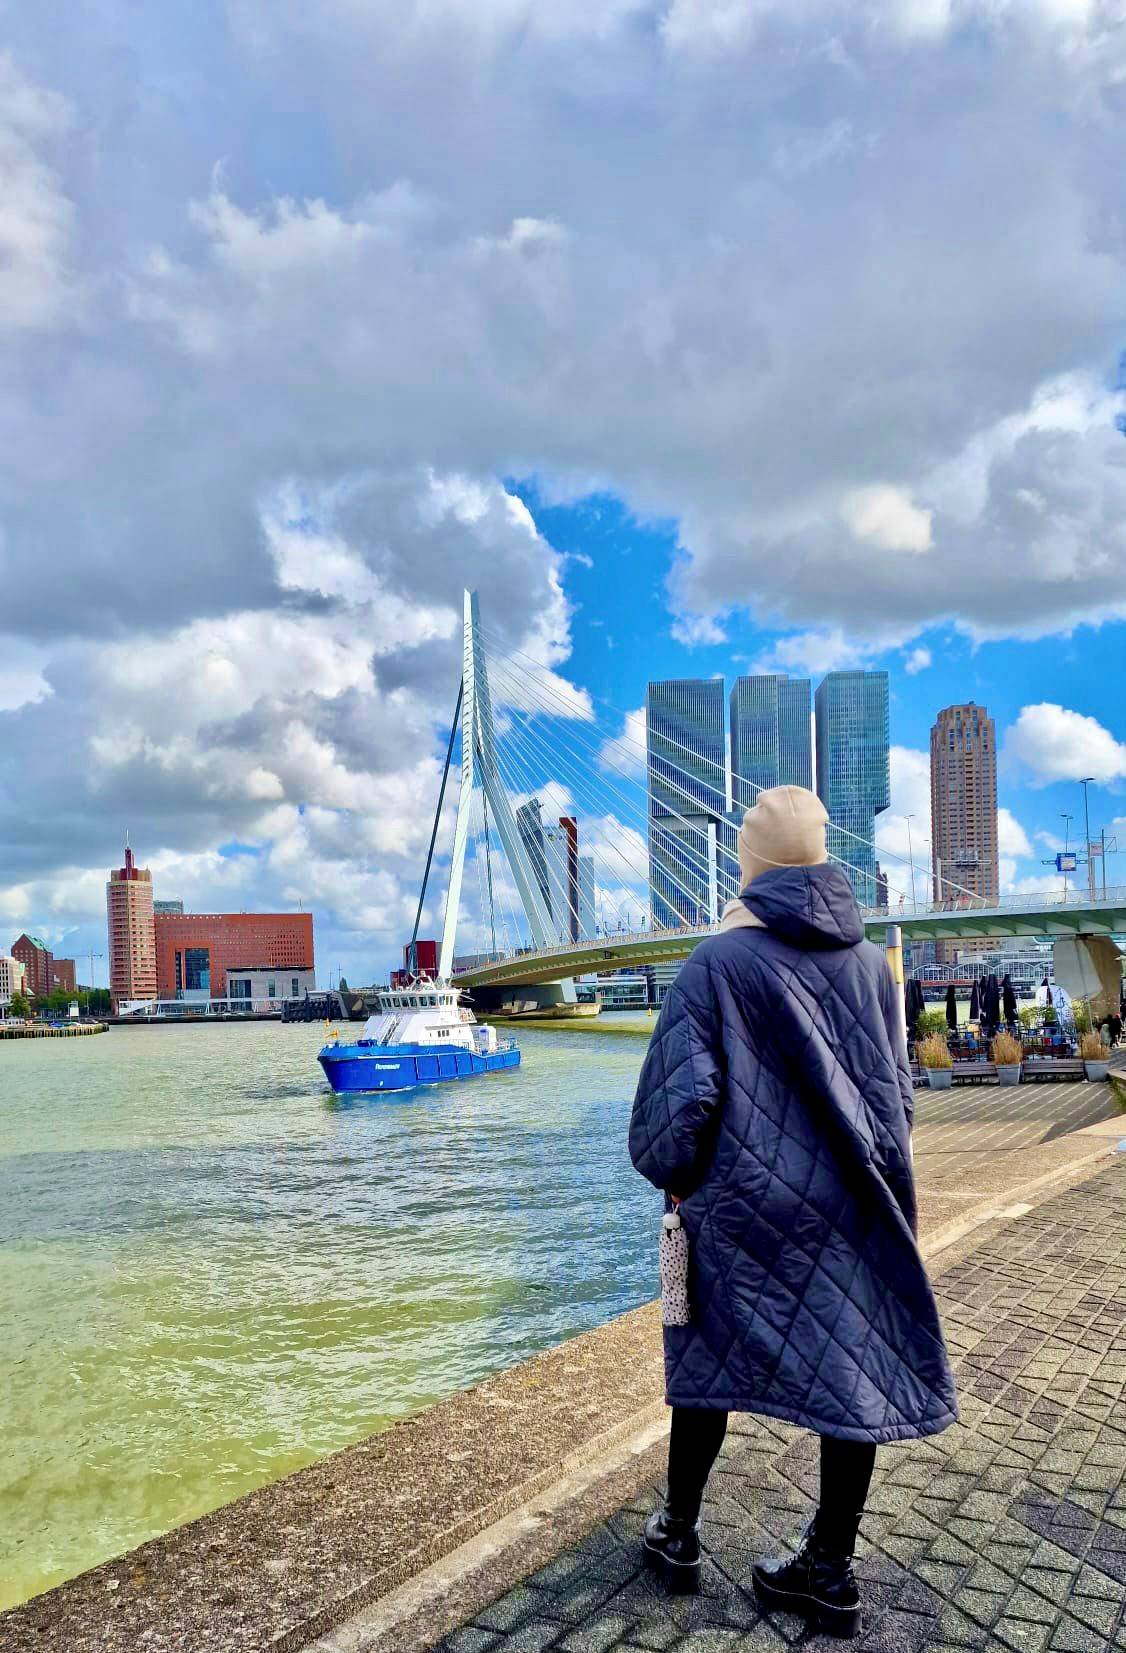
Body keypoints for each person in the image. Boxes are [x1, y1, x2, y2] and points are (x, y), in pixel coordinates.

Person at [629, 786, 958, 1637]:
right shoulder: (869, 965)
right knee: (850, 1364)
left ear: (750, 866)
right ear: (821, 858)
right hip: (852, 1201)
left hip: (739, 1211)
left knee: (703, 1357)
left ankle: (679, 1533)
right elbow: (897, 1095)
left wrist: (682, 1178)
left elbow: (676, 1115)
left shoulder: (714, 964)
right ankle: (830, 1569)